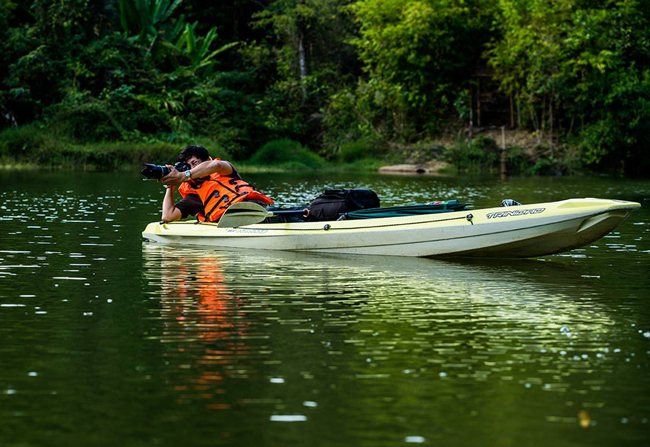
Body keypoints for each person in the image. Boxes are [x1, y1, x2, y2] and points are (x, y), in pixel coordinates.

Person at [159, 145, 273, 222]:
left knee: (285, 215)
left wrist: (184, 176)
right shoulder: (195, 195)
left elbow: (216, 165)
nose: (193, 168)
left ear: (208, 159)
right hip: (232, 221)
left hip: (258, 209)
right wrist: (171, 185)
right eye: (189, 166)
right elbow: (168, 216)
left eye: (195, 163)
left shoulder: (224, 171)